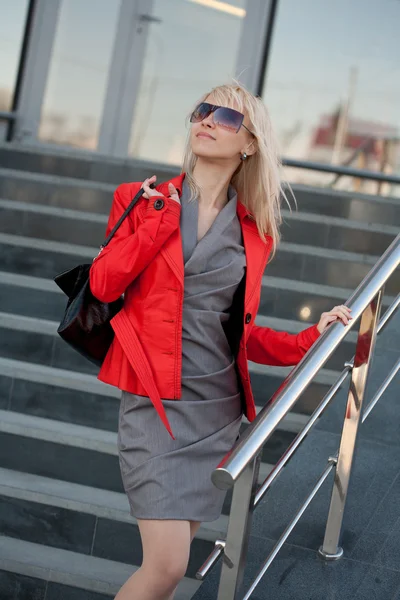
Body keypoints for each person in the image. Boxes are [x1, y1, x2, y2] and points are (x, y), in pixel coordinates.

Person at [89, 82, 352, 600]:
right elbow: (103, 284)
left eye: (226, 118)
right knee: (164, 567)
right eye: (202, 112)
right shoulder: (140, 200)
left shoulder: (256, 232)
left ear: (249, 143)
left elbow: (239, 332)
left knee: (172, 570)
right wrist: (158, 219)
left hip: (216, 409)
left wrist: (306, 337)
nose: (207, 121)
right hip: (155, 402)